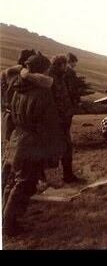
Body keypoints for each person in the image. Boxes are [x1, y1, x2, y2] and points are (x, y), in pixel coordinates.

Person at [2, 53, 65, 236]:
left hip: (17, 139)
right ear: (42, 70)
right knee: (25, 183)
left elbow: (11, 116)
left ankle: (5, 219)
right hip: (32, 144)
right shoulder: (43, 92)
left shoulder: (17, 87)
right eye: (46, 69)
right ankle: (9, 225)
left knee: (12, 181)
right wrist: (54, 149)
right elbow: (50, 123)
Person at [1, 50, 53, 196]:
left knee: (13, 173)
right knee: (24, 180)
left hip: (16, 131)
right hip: (30, 136)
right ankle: (9, 217)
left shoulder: (18, 84)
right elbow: (47, 120)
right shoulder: (40, 90)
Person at [49, 55, 81, 183]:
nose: (66, 68)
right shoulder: (53, 80)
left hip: (63, 118)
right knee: (65, 147)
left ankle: (67, 174)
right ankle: (67, 175)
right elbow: (55, 100)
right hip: (59, 119)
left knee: (66, 147)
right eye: (64, 65)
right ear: (60, 65)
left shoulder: (59, 77)